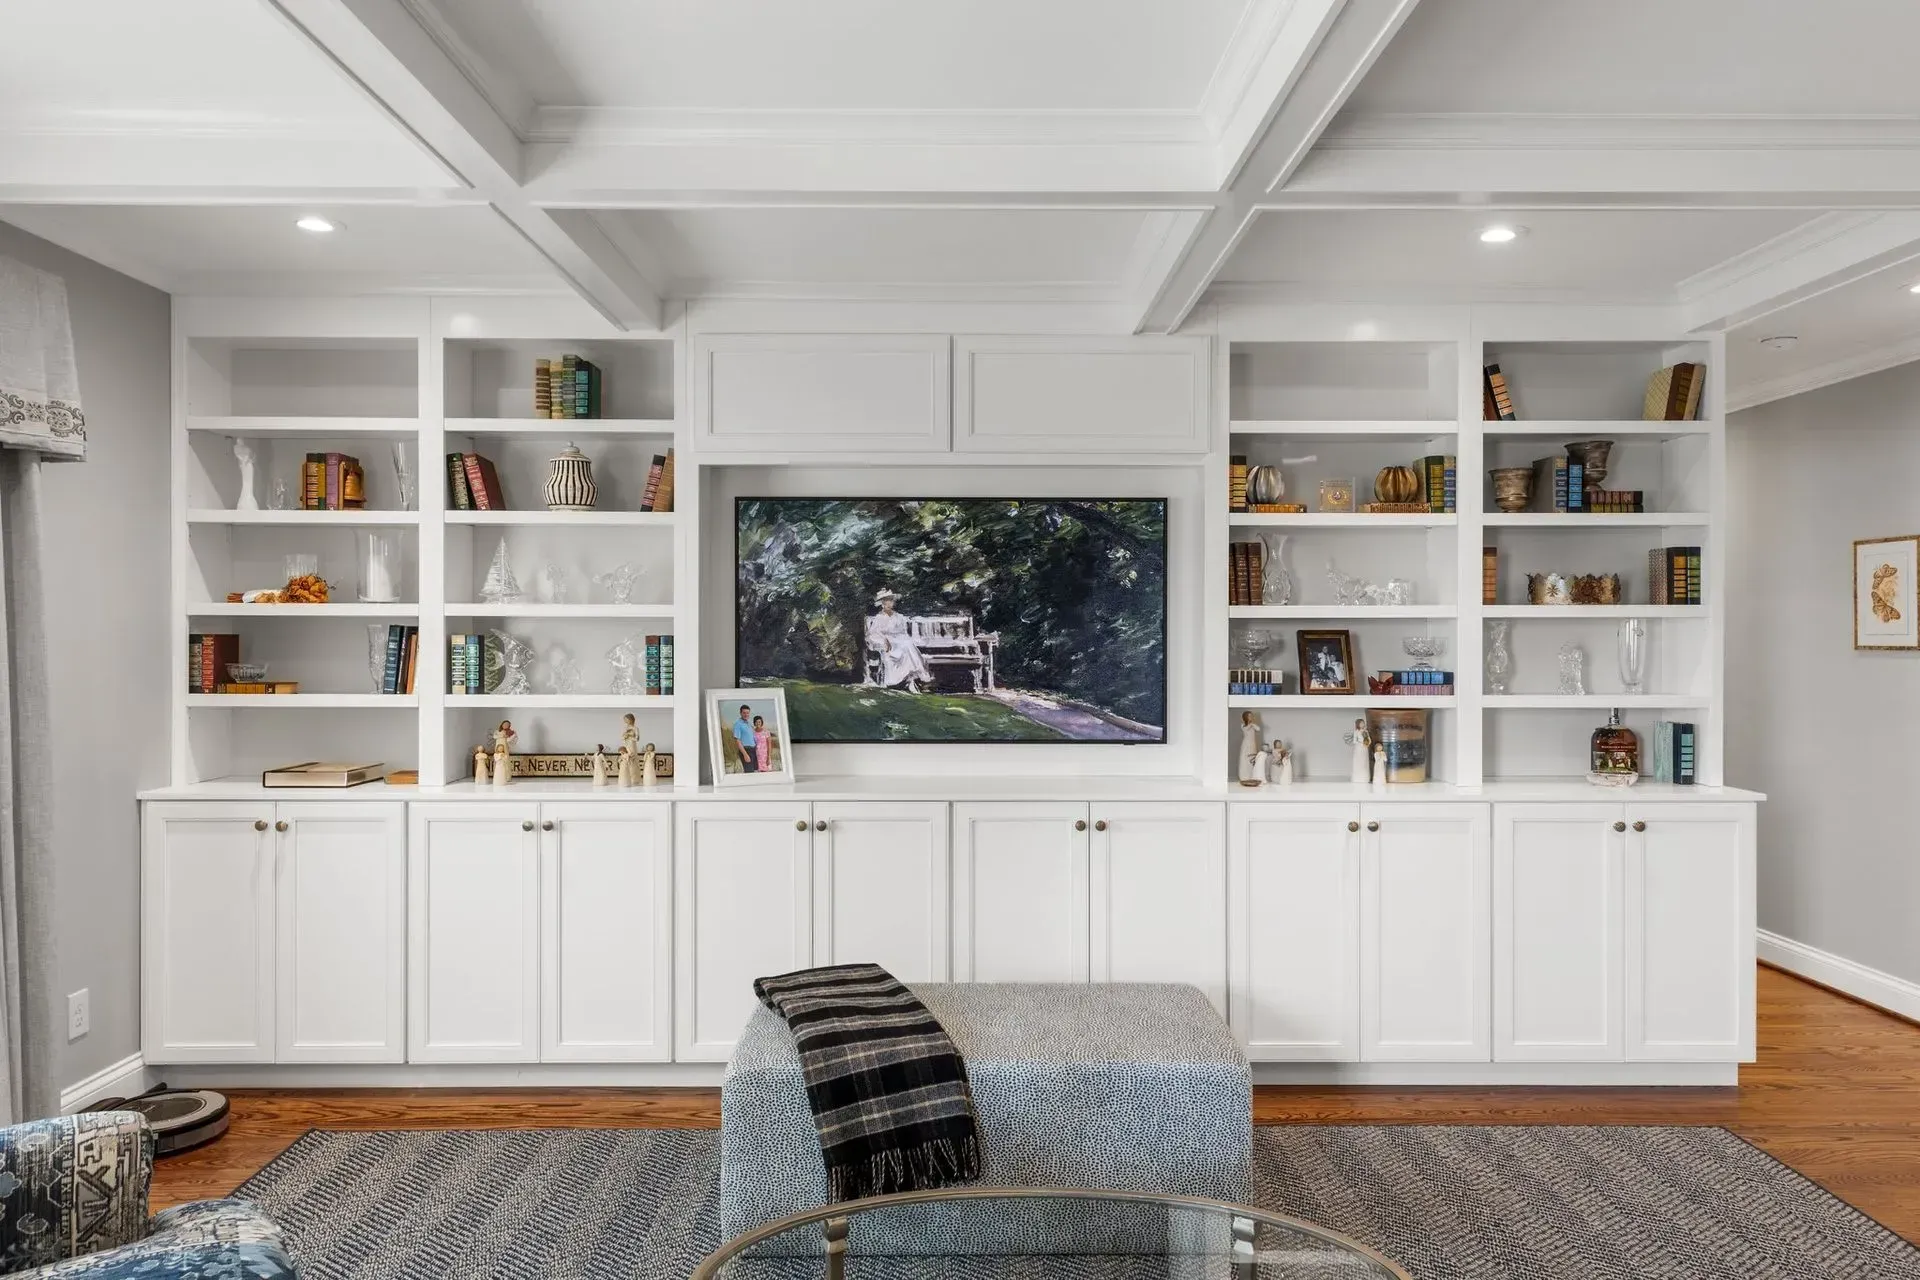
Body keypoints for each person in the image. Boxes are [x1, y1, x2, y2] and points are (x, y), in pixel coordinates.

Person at [866, 587, 931, 691]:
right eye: (887, 600)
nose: (890, 603)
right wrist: (884, 639)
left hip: (900, 639)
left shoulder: (899, 616)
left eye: (891, 600)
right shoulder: (879, 618)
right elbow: (872, 633)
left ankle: (916, 675)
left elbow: (903, 632)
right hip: (888, 641)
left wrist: (902, 639)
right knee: (902, 646)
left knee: (907, 644)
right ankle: (895, 680)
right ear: (883, 603)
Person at [731, 702, 759, 772]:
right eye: (744, 713)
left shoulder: (748, 724)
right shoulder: (738, 724)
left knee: (755, 771)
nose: (746, 714)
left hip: (753, 750)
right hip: (746, 751)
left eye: (747, 713)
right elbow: (737, 741)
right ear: (740, 713)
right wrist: (745, 754)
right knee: (749, 772)